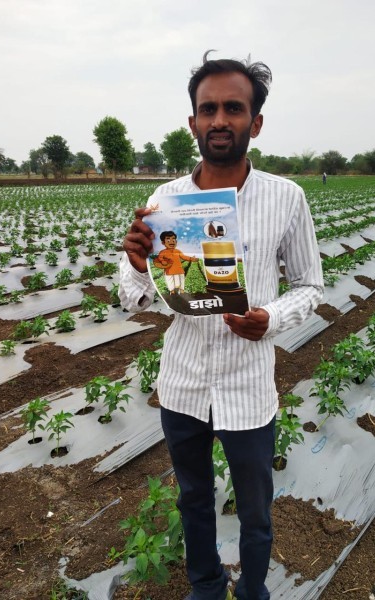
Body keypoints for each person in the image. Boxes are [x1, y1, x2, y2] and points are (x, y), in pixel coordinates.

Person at [120, 51, 324, 600]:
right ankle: (207, 587)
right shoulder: (165, 201)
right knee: (193, 498)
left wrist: (270, 318)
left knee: (255, 507)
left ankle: (253, 590)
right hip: (183, 382)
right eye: (208, 109)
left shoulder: (286, 198)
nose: (219, 119)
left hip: (248, 386)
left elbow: (310, 285)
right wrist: (137, 264)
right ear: (192, 122)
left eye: (233, 108)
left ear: (255, 123)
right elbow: (134, 300)